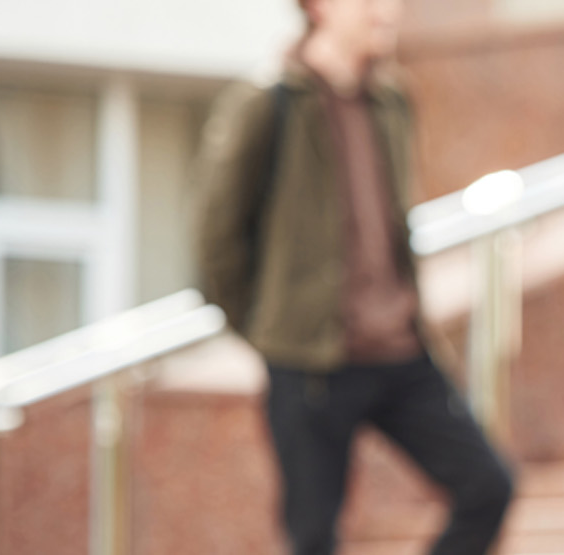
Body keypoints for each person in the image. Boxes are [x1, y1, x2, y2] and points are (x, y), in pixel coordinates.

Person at [194, 0, 513, 552]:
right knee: (313, 536)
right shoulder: (266, 102)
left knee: (488, 486)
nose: (387, 10)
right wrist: (273, 331)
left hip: (400, 350)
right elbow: (217, 239)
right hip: (310, 361)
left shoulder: (391, 98)